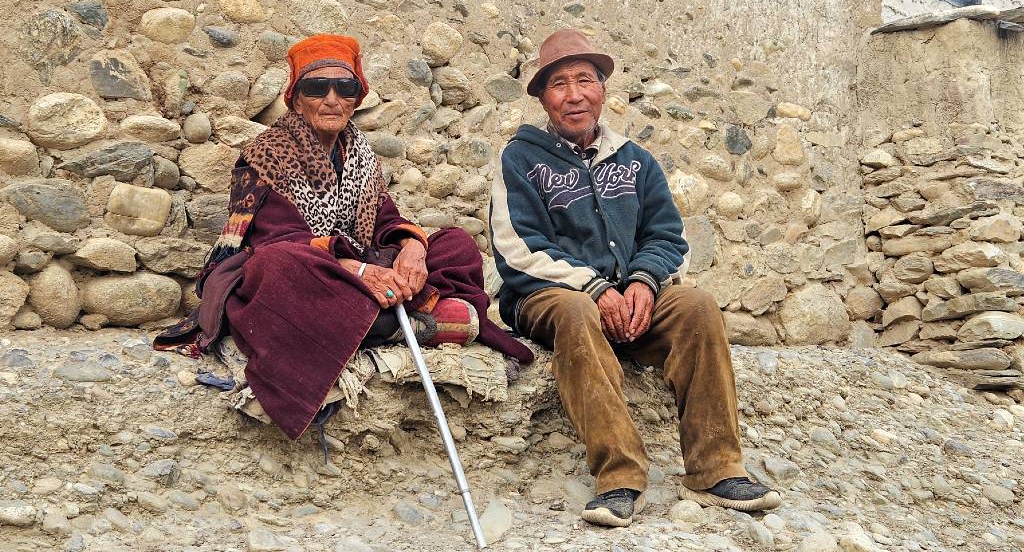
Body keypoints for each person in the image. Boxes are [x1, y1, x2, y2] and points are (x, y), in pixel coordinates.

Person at [157, 34, 533, 440]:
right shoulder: (265, 153)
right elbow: (277, 239)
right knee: (277, 267)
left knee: (455, 243)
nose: (332, 98)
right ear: (296, 98)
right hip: (306, 267)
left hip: (360, 263)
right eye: (317, 88)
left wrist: (411, 249)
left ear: (357, 97)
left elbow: (385, 217)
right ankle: (398, 322)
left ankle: (372, 319)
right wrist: (357, 269)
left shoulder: (360, 152)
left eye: (345, 87)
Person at [489, 29, 780, 527]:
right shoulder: (519, 159)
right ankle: (619, 475)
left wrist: (644, 282)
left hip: (630, 294)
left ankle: (716, 468)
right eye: (559, 83)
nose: (574, 94)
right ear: (543, 97)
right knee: (578, 311)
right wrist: (596, 288)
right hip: (547, 296)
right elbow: (517, 247)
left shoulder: (636, 160)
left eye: (585, 79)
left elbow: (667, 236)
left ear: (603, 89)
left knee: (697, 306)